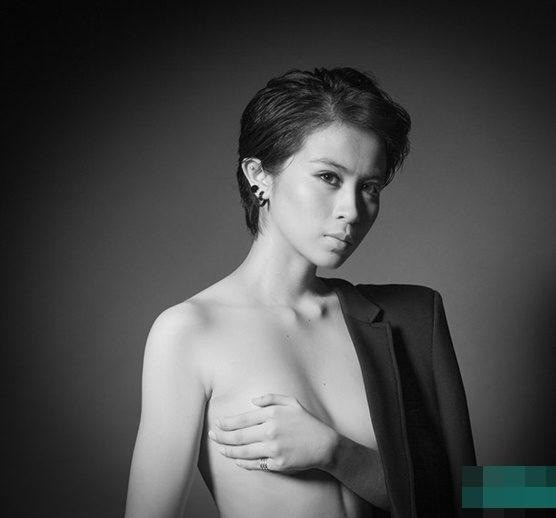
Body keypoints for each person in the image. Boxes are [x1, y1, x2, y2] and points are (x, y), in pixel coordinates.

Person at [124, 67, 478, 518]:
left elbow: (470, 497)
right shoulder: (189, 332)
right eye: (329, 177)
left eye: (370, 187)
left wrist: (337, 453)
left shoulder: (412, 316)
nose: (352, 210)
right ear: (258, 175)